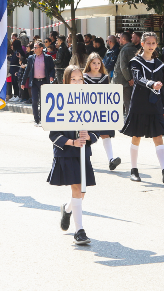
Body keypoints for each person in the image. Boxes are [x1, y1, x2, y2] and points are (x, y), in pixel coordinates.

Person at [121, 31, 164, 184]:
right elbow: (138, 78)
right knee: (137, 136)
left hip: (155, 103)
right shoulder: (135, 61)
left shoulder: (159, 64)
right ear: (142, 44)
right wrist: (151, 84)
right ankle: (133, 170)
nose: (151, 46)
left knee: (158, 136)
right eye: (148, 43)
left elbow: (162, 87)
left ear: (156, 45)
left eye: (153, 43)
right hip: (139, 103)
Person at [50, 65, 98, 245]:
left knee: (82, 192)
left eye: (80, 79)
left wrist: (89, 137)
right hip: (66, 153)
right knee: (77, 188)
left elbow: (97, 130)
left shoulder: (89, 102)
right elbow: (53, 136)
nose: (78, 82)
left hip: (83, 153)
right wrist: (73, 142)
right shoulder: (57, 101)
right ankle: (80, 231)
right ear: (66, 81)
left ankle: (68, 209)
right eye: (73, 79)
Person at [83, 52, 122, 170]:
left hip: (102, 110)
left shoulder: (105, 77)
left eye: (99, 63)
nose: (96, 65)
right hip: (88, 110)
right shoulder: (83, 77)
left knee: (106, 134)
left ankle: (111, 159)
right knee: (87, 135)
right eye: (94, 63)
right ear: (89, 64)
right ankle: (85, 159)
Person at [21, 41, 56, 127]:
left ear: (41, 48)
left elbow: (52, 69)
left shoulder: (48, 58)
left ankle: (42, 118)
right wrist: (23, 82)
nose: (34, 49)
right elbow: (27, 71)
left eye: (36, 47)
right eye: (34, 47)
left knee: (43, 101)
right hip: (35, 82)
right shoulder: (31, 58)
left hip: (44, 81)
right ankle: (36, 119)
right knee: (35, 101)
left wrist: (51, 76)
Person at [112, 32, 136, 116]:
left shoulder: (124, 50)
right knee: (128, 102)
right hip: (130, 80)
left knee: (125, 103)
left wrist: (129, 79)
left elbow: (123, 67)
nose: (118, 40)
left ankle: (128, 123)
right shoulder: (134, 49)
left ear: (123, 39)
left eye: (120, 38)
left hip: (122, 81)